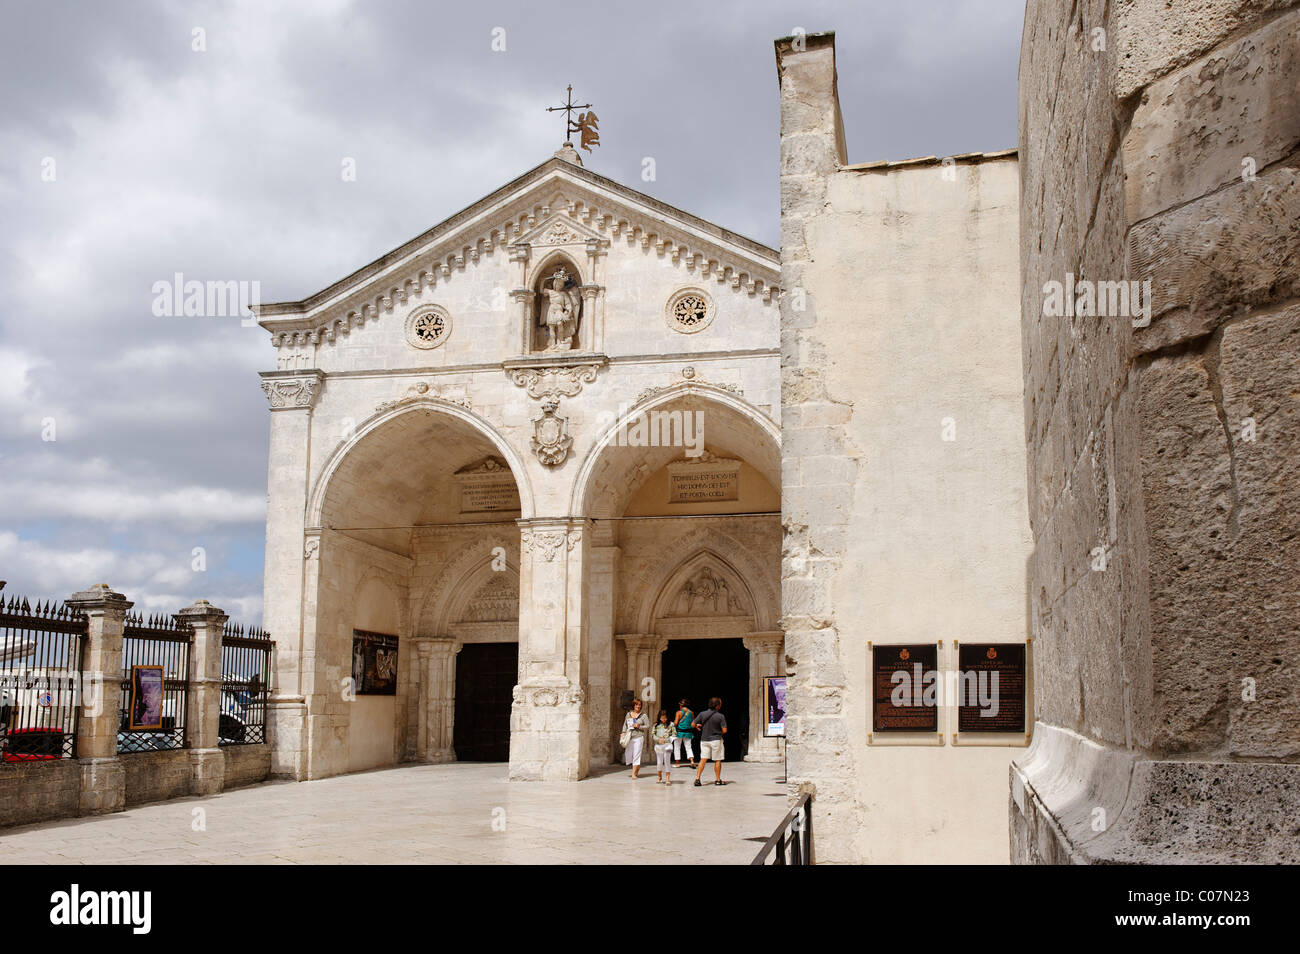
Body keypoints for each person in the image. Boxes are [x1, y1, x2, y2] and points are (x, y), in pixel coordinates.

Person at [693, 697, 727, 787]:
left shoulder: (702, 714)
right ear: (717, 706)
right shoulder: (720, 716)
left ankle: (697, 779)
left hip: (704, 740)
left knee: (703, 759)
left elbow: (692, 724)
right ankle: (717, 780)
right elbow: (724, 730)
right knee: (717, 759)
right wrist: (718, 731)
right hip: (716, 739)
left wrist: (697, 726)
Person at [621, 698, 649, 778]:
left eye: (640, 705)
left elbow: (647, 726)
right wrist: (623, 732)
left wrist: (639, 726)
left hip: (639, 737)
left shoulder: (643, 716)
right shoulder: (628, 714)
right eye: (636, 704)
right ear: (634, 705)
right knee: (628, 754)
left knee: (637, 755)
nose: (638, 706)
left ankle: (634, 773)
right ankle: (637, 768)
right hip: (629, 737)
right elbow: (625, 724)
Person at [651, 709, 677, 784]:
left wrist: (668, 739)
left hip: (667, 745)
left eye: (665, 718)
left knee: (667, 761)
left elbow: (674, 734)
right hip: (659, 746)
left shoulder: (671, 725)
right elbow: (652, 735)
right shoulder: (656, 725)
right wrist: (658, 739)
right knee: (659, 762)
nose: (663, 720)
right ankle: (659, 776)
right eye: (662, 718)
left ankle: (668, 778)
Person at [673, 698, 696, 769]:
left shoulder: (678, 712)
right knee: (688, 747)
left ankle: (677, 764)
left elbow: (676, 723)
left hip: (679, 732)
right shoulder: (691, 712)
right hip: (688, 732)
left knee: (677, 747)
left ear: (680, 705)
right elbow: (693, 723)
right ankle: (692, 761)